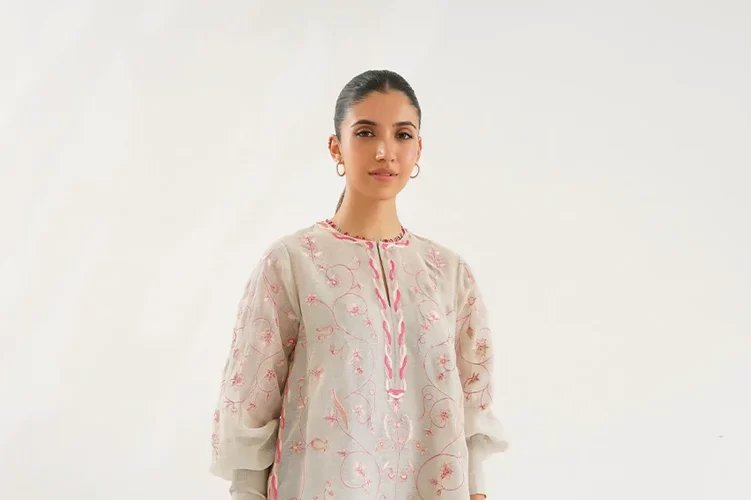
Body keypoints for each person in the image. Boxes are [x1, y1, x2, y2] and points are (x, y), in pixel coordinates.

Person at [209, 69, 509, 500]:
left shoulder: (448, 273)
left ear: (418, 148)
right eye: (366, 133)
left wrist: (476, 490)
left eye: (402, 135)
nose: (385, 151)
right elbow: (250, 404)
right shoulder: (294, 262)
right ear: (336, 147)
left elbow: (472, 408)